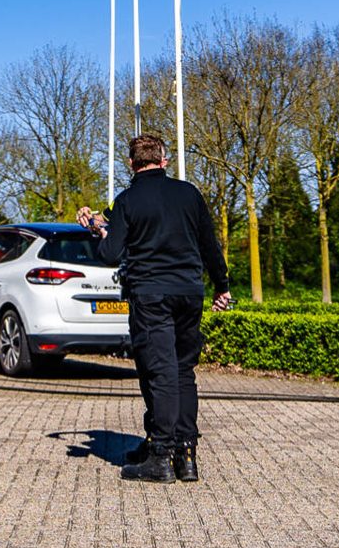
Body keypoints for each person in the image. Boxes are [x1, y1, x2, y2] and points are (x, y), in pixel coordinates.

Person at [76, 133, 232, 484]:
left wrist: (95, 233)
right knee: (182, 372)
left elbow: (111, 254)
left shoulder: (128, 201)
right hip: (189, 293)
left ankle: (161, 457)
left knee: (159, 373)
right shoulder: (189, 193)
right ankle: (186, 454)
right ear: (164, 162)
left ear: (131, 164)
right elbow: (209, 244)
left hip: (150, 296)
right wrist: (222, 286)